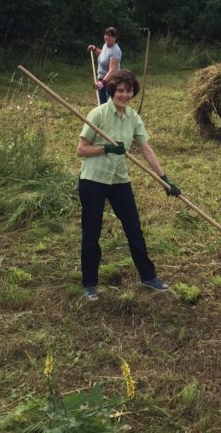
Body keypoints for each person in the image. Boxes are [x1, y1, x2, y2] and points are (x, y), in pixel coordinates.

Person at [76, 68, 180, 302]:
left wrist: (164, 178)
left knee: (134, 229)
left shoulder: (133, 118)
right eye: (120, 90)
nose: (125, 95)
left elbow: (145, 148)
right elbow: (81, 149)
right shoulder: (98, 114)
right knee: (91, 233)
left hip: (119, 180)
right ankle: (90, 283)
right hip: (93, 180)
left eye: (129, 90)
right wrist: (106, 148)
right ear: (112, 91)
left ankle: (148, 276)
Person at [88, 27, 122, 104]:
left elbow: (112, 70)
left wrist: (102, 83)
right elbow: (104, 55)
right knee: (102, 102)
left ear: (115, 38)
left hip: (111, 81)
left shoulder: (115, 51)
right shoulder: (106, 45)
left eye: (109, 36)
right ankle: (104, 115)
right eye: (106, 35)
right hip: (102, 79)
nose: (106, 37)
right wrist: (95, 49)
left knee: (110, 103)